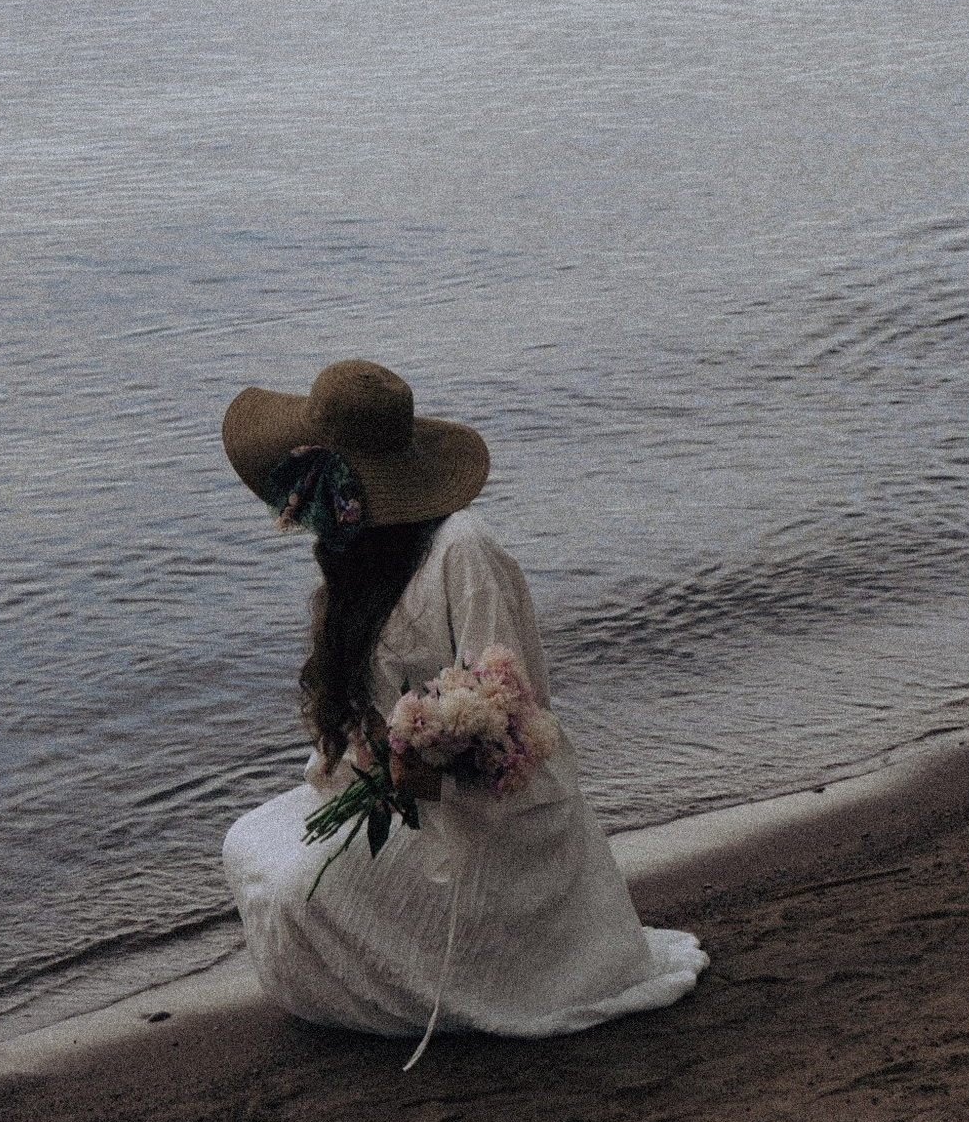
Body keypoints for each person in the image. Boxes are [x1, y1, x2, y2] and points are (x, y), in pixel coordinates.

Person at [218, 356, 707, 1053]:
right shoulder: (364, 553)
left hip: (488, 818)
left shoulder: (462, 550)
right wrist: (371, 754)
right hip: (402, 791)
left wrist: (426, 764)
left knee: (297, 888)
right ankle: (383, 981)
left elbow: (510, 717)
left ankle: (451, 980)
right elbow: (366, 709)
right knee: (247, 845)